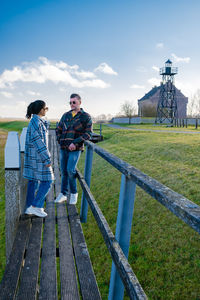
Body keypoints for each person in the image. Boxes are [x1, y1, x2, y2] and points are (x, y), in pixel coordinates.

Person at [55, 93, 92, 204]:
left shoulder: (86, 116)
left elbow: (88, 133)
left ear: (80, 102)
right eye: (70, 102)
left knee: (71, 170)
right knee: (64, 171)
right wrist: (60, 140)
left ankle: (74, 193)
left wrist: (75, 143)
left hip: (75, 149)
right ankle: (63, 194)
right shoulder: (65, 115)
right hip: (63, 148)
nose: (71, 104)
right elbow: (58, 130)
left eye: (74, 102)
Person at [24, 100, 54, 217]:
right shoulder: (36, 123)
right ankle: (36, 206)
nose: (46, 110)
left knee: (33, 181)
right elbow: (39, 142)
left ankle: (29, 208)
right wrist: (47, 159)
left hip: (34, 157)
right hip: (38, 158)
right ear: (41, 109)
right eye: (46, 108)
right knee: (48, 181)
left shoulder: (36, 121)